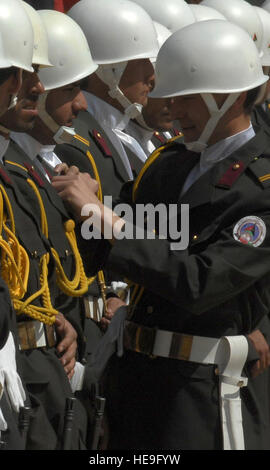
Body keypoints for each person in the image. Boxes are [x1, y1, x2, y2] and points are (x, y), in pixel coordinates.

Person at [53, 19, 270, 450]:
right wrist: (86, 207)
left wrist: (105, 219)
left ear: (226, 97)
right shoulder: (170, 164)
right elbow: (118, 246)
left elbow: (200, 281)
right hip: (132, 380)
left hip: (197, 393)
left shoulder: (260, 187)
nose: (171, 111)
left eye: (187, 99)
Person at [0, 2, 90, 450]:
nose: (35, 86)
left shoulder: (25, 167)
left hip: (40, 361)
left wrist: (50, 317)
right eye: (23, 74)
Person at [67, 0, 159, 180]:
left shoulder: (124, 129)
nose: (151, 75)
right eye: (140, 61)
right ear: (106, 71)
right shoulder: (75, 141)